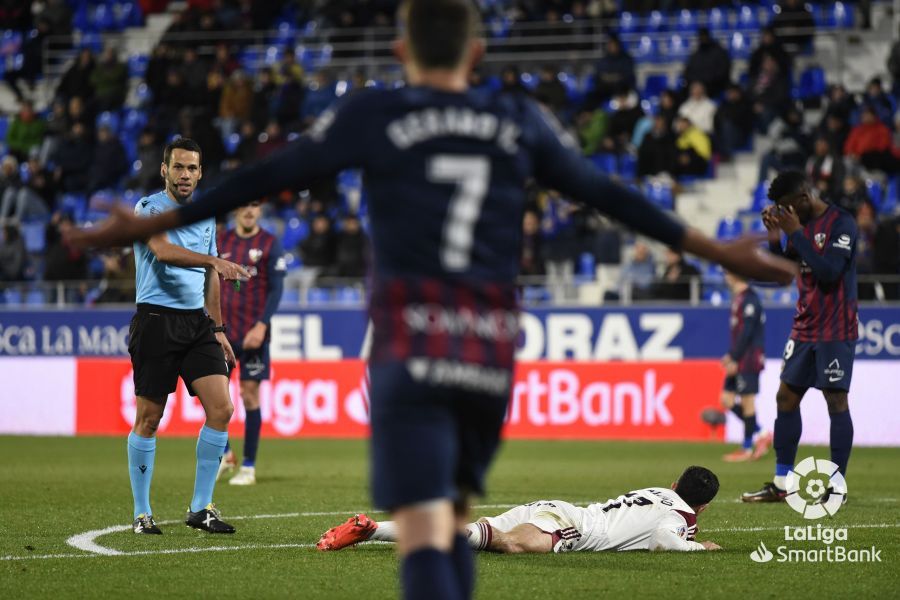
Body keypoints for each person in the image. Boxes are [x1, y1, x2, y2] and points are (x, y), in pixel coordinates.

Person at [70, 2, 793, 598]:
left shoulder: (374, 113)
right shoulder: (518, 119)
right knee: (451, 510)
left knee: (425, 524)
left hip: (408, 340)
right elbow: (609, 194)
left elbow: (268, 175)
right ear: (477, 53)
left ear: (399, 47)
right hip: (483, 343)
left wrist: (154, 221)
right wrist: (718, 250)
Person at [126, 138, 250, 535]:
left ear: (200, 173)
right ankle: (142, 513)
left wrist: (217, 329)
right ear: (164, 170)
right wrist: (213, 260)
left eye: (191, 169)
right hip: (156, 322)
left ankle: (201, 508)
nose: (184, 175)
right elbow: (162, 252)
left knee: (222, 409)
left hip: (196, 324)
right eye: (177, 167)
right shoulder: (149, 209)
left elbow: (210, 276)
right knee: (149, 418)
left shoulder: (205, 215)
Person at [743, 171, 856, 504]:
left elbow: (830, 272)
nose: (786, 214)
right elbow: (786, 269)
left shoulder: (841, 223)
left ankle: (836, 485)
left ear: (804, 199)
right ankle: (782, 482)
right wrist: (777, 237)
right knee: (785, 398)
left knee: (836, 400)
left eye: (788, 208)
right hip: (805, 326)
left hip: (836, 327)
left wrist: (795, 232)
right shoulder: (798, 226)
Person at [317, 466, 722, 553]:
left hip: (554, 508)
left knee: (472, 533)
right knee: (505, 545)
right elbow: (662, 540)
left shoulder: (656, 490)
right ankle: (373, 531)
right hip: (573, 529)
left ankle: (375, 529)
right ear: (701, 507)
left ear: (673, 485)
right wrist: (700, 548)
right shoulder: (681, 518)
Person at [216, 200, 286, 486]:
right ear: (235, 208)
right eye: (244, 204)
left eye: (256, 205)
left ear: (261, 210)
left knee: (249, 395)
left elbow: (277, 288)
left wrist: (262, 324)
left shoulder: (269, 243)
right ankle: (226, 454)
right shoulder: (221, 240)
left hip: (254, 333)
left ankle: (248, 466)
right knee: (215, 398)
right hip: (223, 333)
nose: (248, 210)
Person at [719, 271, 771, 462]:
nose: (725, 275)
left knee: (747, 401)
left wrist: (734, 356)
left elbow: (747, 332)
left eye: (728, 272)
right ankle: (762, 432)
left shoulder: (750, 299)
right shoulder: (739, 298)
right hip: (740, 356)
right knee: (727, 399)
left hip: (749, 358)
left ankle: (747, 448)